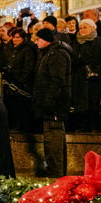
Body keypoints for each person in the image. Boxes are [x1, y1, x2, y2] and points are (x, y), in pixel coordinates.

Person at [32, 28, 72, 177]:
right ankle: (55, 170)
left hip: (54, 106)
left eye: (38, 39)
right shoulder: (49, 53)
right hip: (50, 104)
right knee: (52, 138)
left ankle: (56, 172)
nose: (36, 42)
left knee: (53, 140)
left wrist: (49, 102)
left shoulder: (57, 54)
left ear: (46, 39)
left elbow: (57, 81)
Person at [71, 18, 101, 132]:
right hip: (80, 77)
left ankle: (95, 126)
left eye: (85, 27)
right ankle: (83, 126)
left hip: (96, 77)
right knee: (81, 103)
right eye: (80, 28)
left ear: (93, 28)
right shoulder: (75, 42)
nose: (82, 30)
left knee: (94, 103)